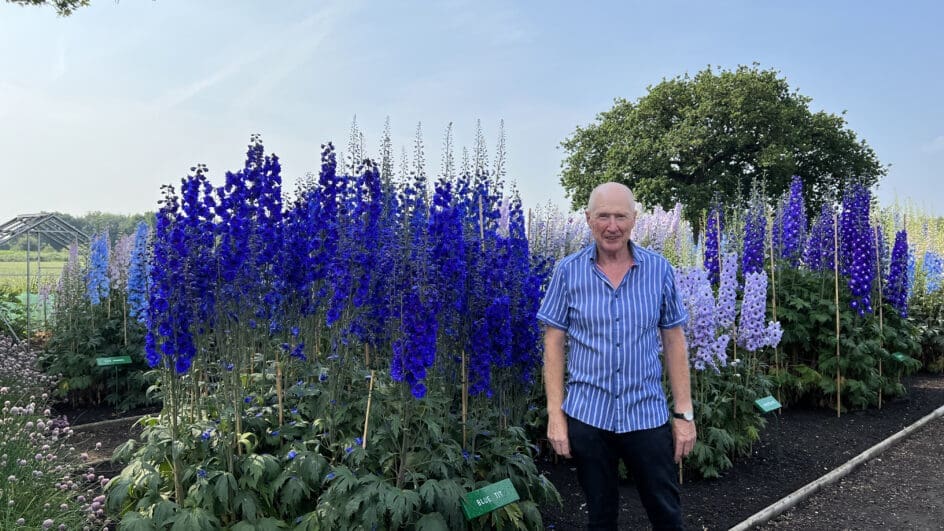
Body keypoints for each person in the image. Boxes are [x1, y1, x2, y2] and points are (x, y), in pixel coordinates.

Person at [537, 182, 696, 530]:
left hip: (646, 414)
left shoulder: (659, 270)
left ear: (634, 219)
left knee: (666, 513)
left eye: (620, 216)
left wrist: (684, 414)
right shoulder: (567, 271)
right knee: (600, 516)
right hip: (588, 416)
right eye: (603, 216)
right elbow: (553, 341)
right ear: (588, 219)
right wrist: (555, 415)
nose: (612, 226)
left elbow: (674, 339)